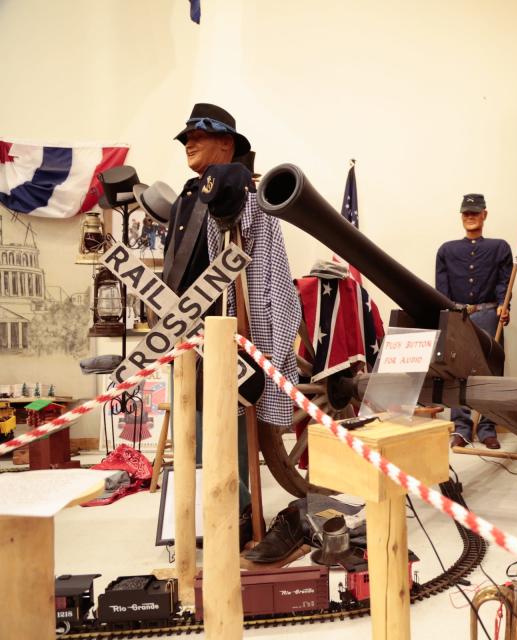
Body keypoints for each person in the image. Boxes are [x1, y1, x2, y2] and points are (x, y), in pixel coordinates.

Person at [163, 103, 302, 557]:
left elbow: (267, 273)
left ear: (227, 142)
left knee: (230, 421)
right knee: (200, 425)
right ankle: (213, 507)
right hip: (189, 330)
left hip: (231, 326)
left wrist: (265, 344)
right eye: (185, 138)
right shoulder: (189, 194)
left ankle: (240, 511)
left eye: (197, 136)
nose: (189, 143)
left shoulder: (245, 194)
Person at [436, 193, 512, 450]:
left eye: (475, 212)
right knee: (457, 371)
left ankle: (488, 427)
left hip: (488, 315)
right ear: (461, 216)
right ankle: (462, 427)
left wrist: (503, 304)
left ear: (484, 214)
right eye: (466, 213)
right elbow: (442, 290)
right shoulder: (447, 251)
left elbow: (504, 283)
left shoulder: (499, 248)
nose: (470, 216)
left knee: (491, 371)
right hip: (457, 316)